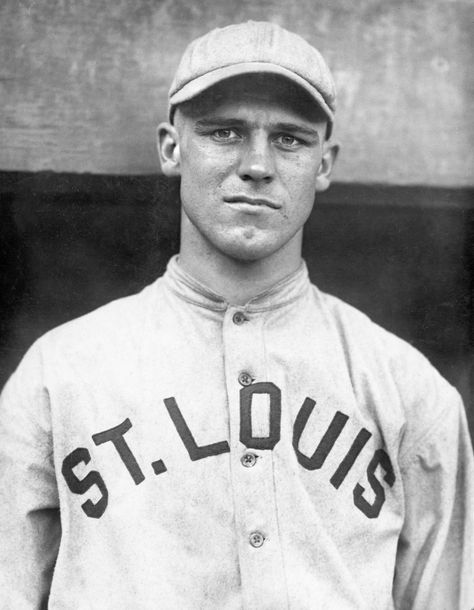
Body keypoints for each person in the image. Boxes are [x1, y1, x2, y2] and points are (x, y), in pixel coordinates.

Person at [0, 20, 473, 610]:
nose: (258, 164)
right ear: (172, 148)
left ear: (325, 164)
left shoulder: (412, 395)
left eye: (290, 139)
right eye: (225, 132)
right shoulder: (59, 374)